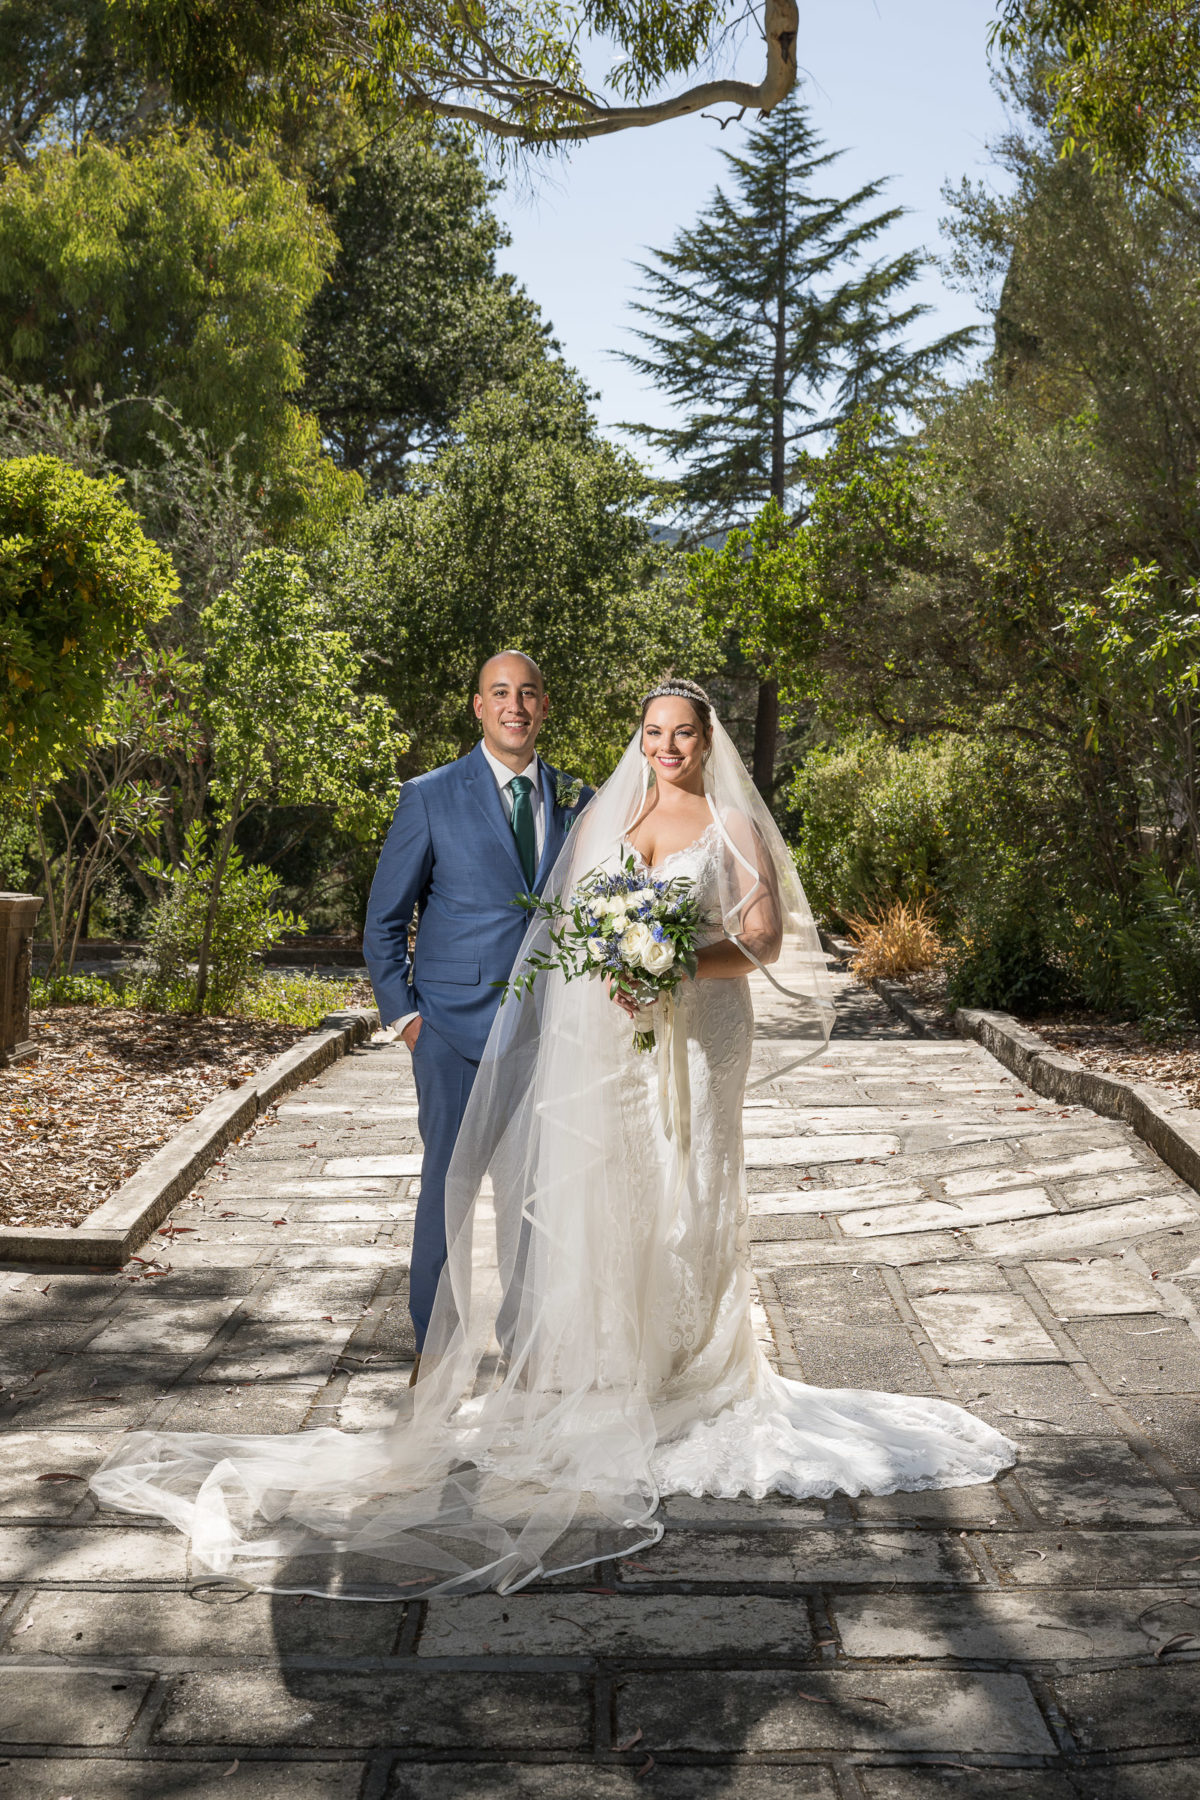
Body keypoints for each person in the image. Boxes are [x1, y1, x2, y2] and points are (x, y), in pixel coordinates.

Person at [91, 679, 1015, 1597]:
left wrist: (671, 960)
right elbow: (558, 922)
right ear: (638, 737)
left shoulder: (728, 822)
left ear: (707, 739)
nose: (667, 746)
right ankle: (589, 1364)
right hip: (612, 1033)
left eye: (683, 733)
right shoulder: (609, 814)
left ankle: (692, 1367)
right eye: (654, 731)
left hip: (701, 1032)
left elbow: (763, 940)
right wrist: (467, 1003)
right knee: (622, 1191)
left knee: (691, 1190)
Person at [362, 651, 592, 1370]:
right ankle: (437, 1353)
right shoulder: (429, 796)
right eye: (501, 693)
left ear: (545, 706)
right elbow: (383, 920)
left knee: (537, 1203)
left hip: (549, 1035)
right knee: (447, 1196)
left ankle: (528, 1353)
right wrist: (406, 1020)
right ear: (478, 707)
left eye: (527, 693)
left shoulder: (579, 800)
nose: (515, 705)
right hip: (450, 1033)